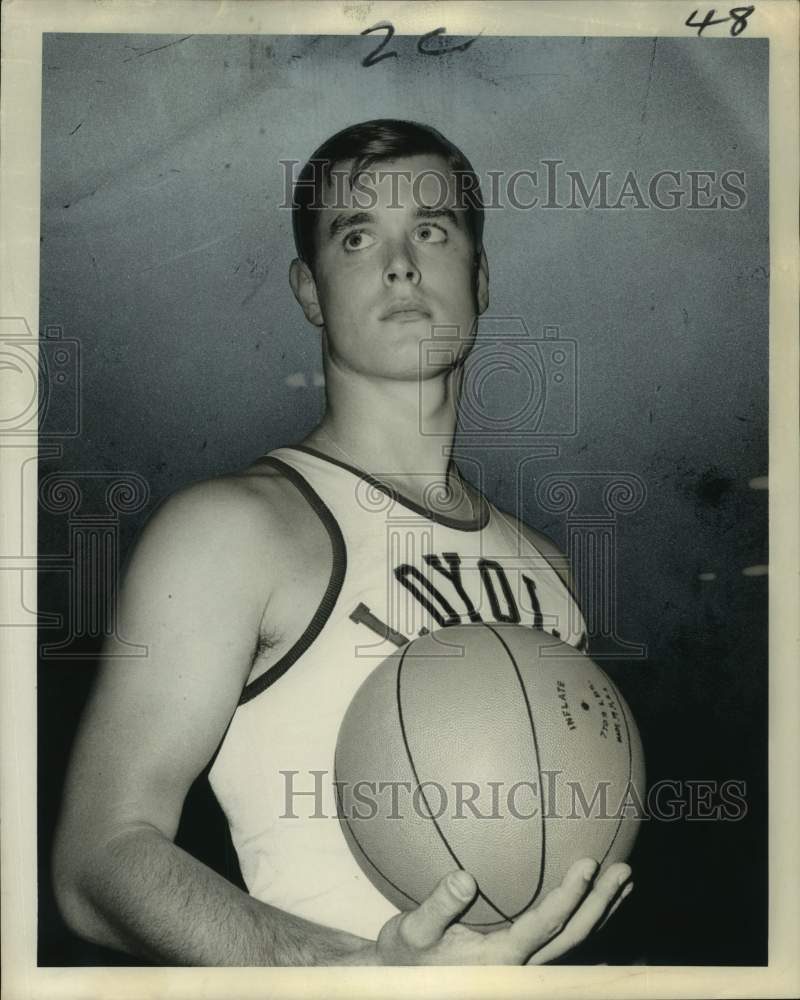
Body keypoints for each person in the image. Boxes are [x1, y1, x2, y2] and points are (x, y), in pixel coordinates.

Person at [52, 119, 633, 966]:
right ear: (310, 291)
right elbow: (95, 862)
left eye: (431, 230)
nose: (401, 261)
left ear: (479, 276)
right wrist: (366, 974)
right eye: (357, 236)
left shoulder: (551, 569)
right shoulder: (234, 530)